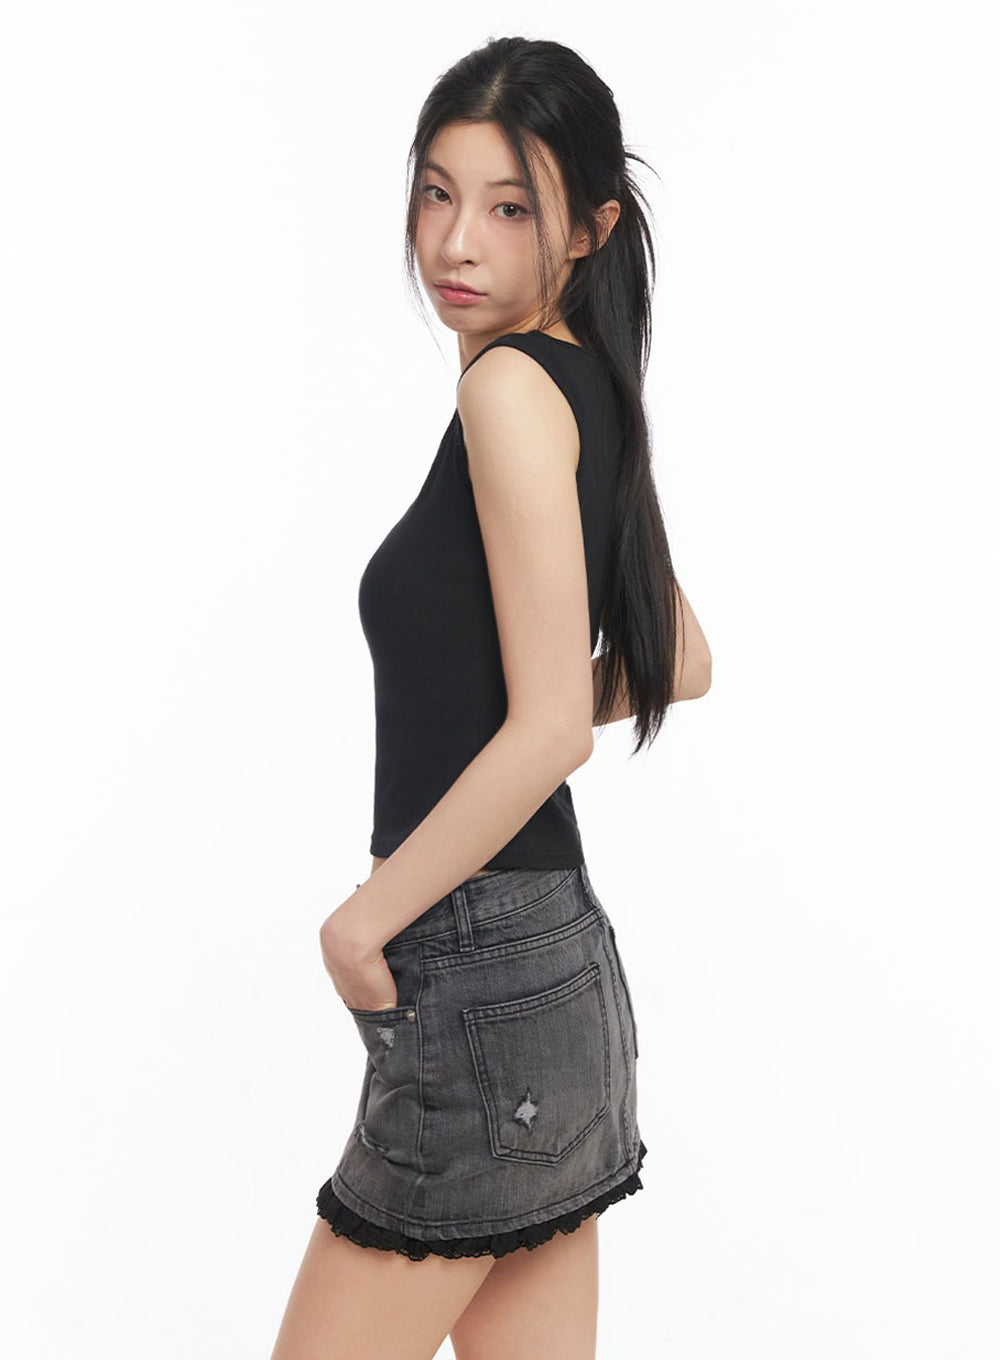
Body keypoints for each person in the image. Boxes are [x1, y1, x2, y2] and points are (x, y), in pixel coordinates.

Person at [269, 35, 712, 1360]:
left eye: (510, 208)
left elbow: (554, 726)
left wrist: (365, 920)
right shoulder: (584, 382)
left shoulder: (512, 391)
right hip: (552, 970)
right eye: (436, 193)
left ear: (590, 229)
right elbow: (678, 657)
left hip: (474, 968)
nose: (456, 242)